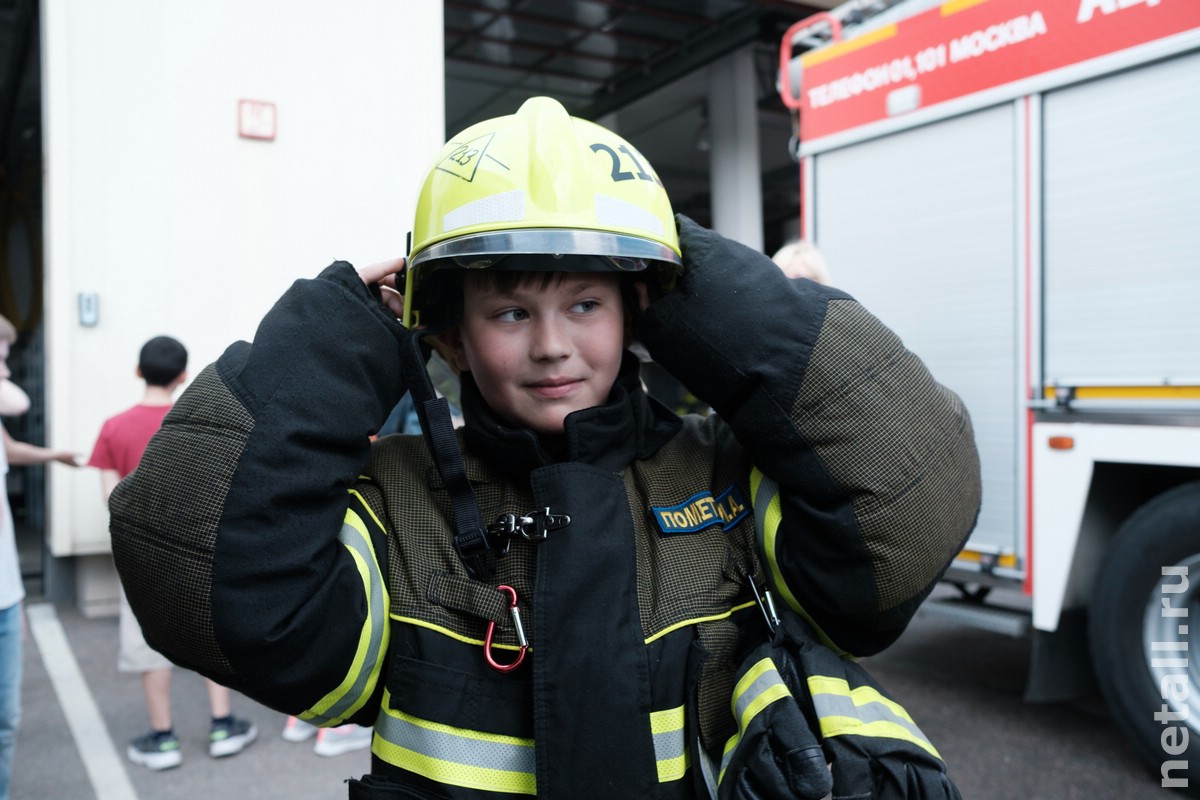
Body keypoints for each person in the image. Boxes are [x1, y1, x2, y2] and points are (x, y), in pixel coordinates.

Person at [109, 97, 981, 798]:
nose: (554, 345)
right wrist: (342, 332)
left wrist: (687, 273)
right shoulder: (393, 505)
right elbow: (195, 579)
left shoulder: (725, 474)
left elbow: (912, 498)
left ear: (639, 312)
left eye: (586, 304)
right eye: (511, 312)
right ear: (450, 339)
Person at [88, 336, 256, 771]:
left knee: (147, 645)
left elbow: (111, 499)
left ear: (137, 371)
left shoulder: (114, 427)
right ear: (183, 376)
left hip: (137, 555)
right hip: (198, 554)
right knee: (207, 636)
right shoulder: (196, 424)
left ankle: (163, 738)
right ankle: (222, 726)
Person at [0, 314, 79, 800]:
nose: (7, 368)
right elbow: (18, 401)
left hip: (7, 598)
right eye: (0, 357)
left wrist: (54, 456)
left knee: (6, 723)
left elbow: (9, 449)